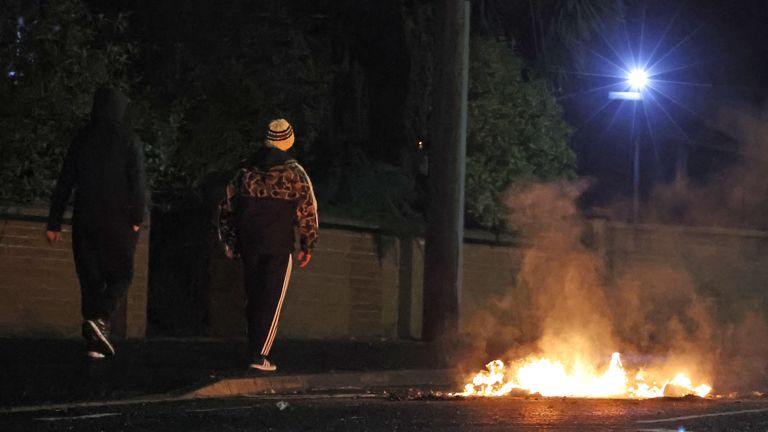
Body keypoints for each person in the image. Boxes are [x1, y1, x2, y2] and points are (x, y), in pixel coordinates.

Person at [46, 86, 145, 359]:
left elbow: (65, 181)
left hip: (85, 217)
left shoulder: (81, 139)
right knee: (121, 274)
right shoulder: (128, 140)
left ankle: (94, 342)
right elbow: (137, 183)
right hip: (118, 220)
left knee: (90, 278)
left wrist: (54, 222)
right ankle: (101, 319)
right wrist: (137, 217)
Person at [218, 118, 318, 371]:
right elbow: (308, 210)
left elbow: (226, 208)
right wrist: (308, 244)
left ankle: (254, 348)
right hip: (278, 243)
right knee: (271, 298)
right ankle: (260, 354)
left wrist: (229, 241)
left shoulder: (244, 171)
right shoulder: (294, 173)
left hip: (249, 241)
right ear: (289, 141)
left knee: (253, 295)